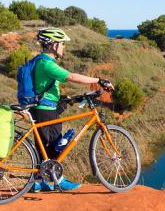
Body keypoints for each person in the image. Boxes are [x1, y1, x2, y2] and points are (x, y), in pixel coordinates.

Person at [30, 27, 114, 192]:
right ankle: (58, 180)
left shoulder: (40, 61)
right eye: (62, 44)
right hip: (45, 109)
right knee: (53, 146)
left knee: (45, 148)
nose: (64, 47)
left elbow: (45, 87)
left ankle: (39, 182)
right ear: (53, 45)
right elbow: (71, 77)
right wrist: (99, 80)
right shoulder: (46, 63)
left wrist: (64, 99)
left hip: (44, 107)